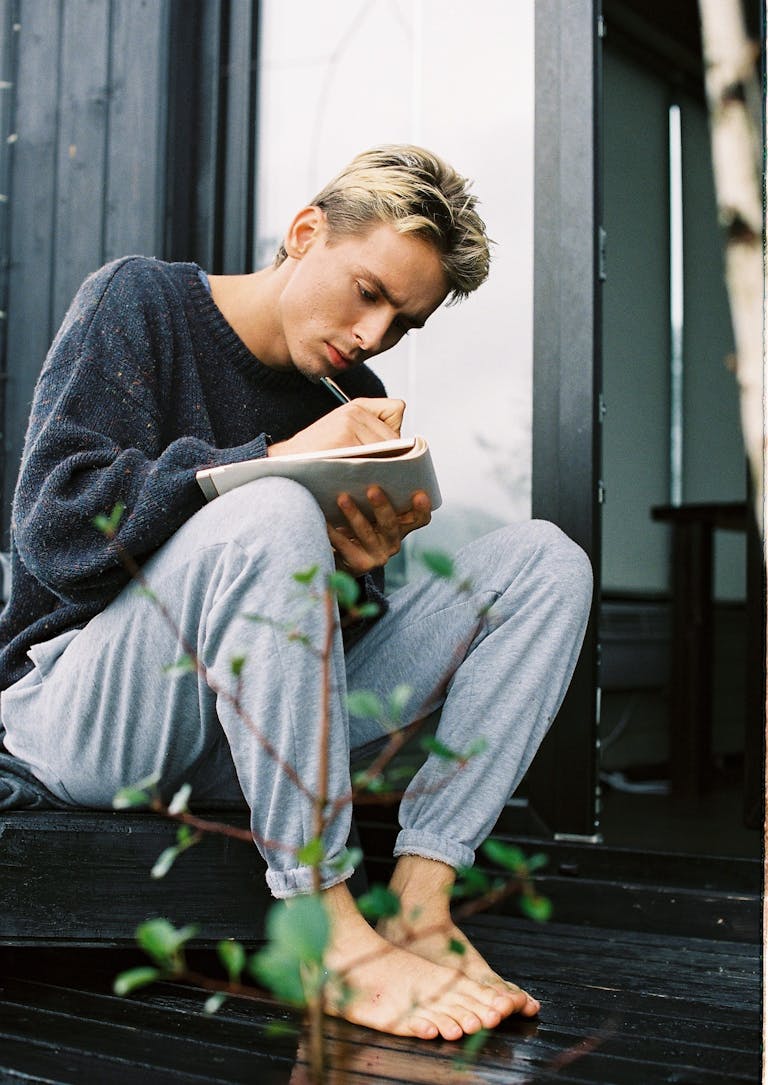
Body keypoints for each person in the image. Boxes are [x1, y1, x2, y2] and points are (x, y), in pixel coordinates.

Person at [0, 145, 592, 1041]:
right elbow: (55, 532)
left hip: (251, 735)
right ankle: (323, 930)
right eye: (368, 291)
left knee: (548, 561)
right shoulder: (140, 301)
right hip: (94, 712)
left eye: (404, 321)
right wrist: (273, 465)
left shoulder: (358, 391)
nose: (375, 333)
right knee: (272, 506)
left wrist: (360, 567)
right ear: (305, 232)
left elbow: (326, 635)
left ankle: (421, 905)